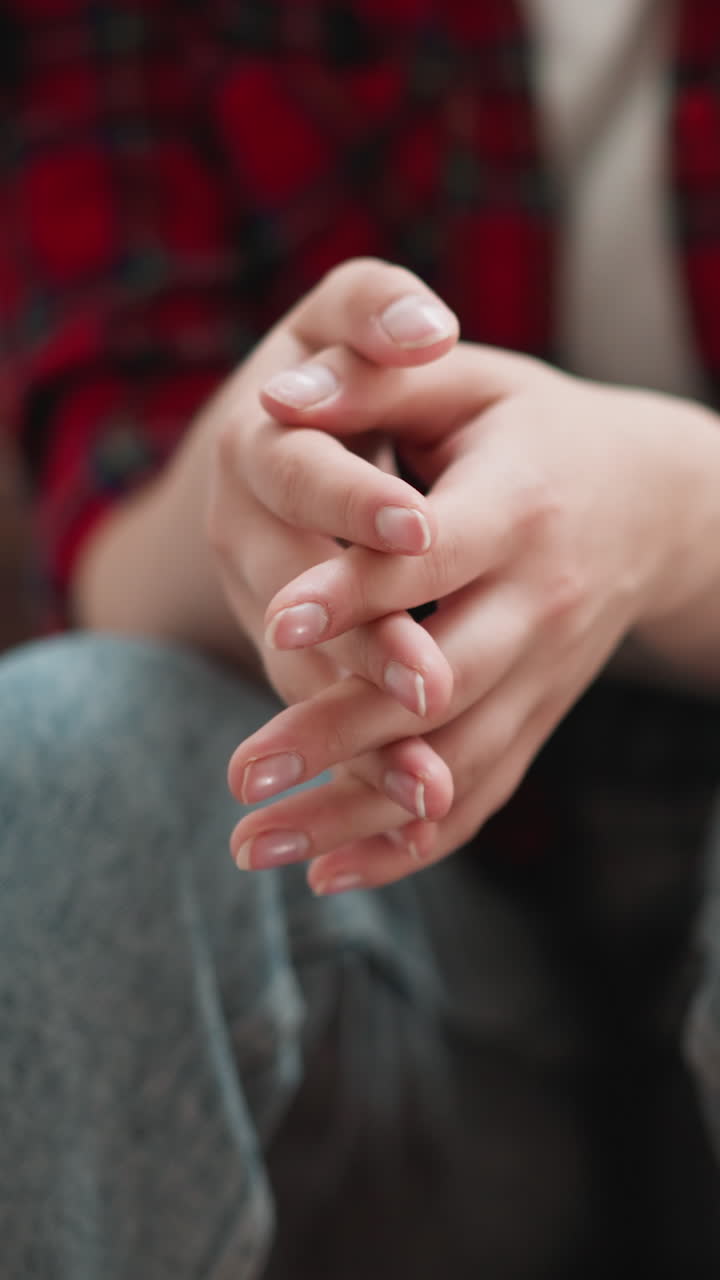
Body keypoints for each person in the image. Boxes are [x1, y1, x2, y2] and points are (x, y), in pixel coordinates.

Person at [3, 0, 720, 1275]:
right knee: (48, 761)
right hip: (423, 959)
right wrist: (256, 479)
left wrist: (676, 516)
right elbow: (109, 516)